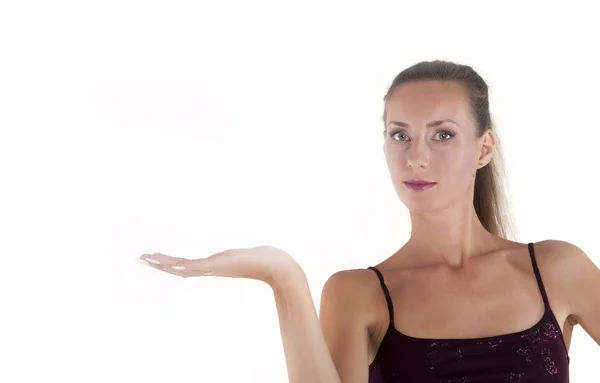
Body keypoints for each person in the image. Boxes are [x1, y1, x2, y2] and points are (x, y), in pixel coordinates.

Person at [137, 60, 600, 382]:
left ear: (482, 148)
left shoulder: (558, 269)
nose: (416, 157)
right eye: (400, 135)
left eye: (442, 135)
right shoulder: (357, 294)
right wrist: (284, 280)